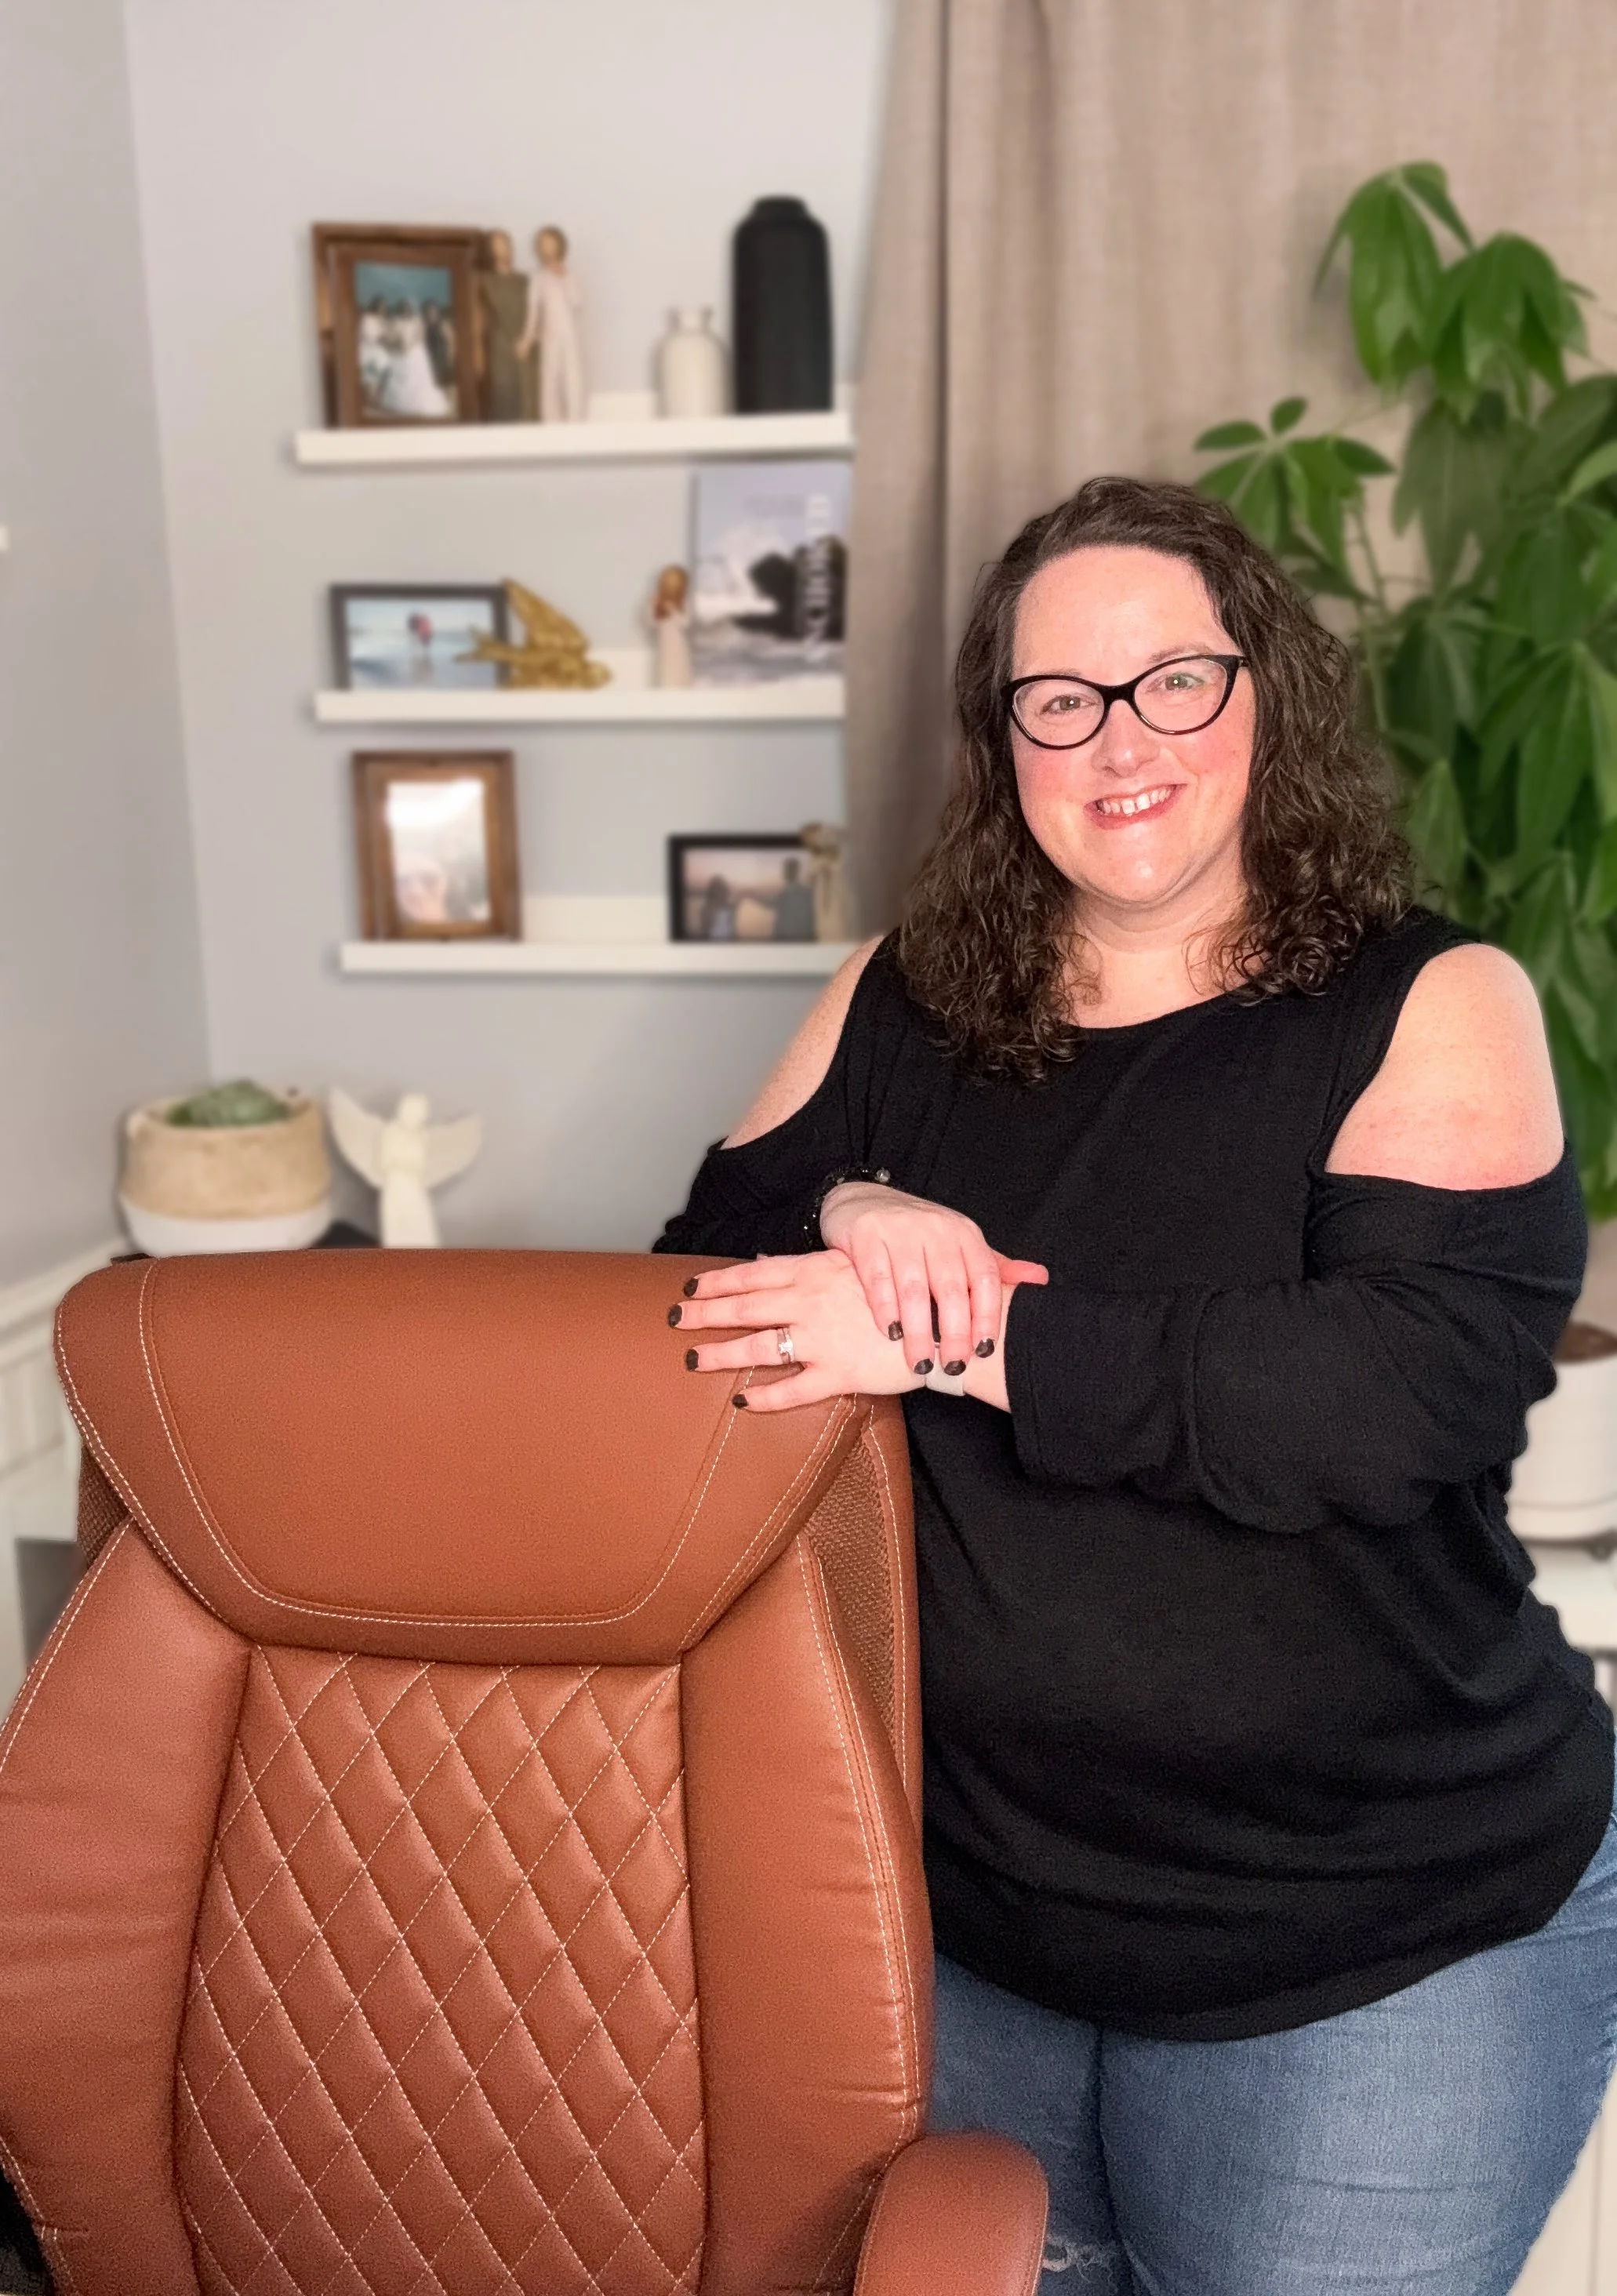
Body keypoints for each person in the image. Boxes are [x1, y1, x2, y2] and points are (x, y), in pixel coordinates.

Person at [655, 476, 1616, 2296]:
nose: (1119, 742)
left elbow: (1386, 1393)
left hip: (1383, 1950)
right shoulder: (898, 1005)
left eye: (1172, 680)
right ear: (999, 737)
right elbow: (693, 1294)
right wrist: (848, 1197)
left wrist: (955, 1330)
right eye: (1059, 700)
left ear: (1264, 696)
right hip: (970, 1936)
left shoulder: (1425, 998)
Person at [518, 225, 585, 422]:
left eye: (551, 244)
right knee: (550, 379)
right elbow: (533, 312)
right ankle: (551, 423)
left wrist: (564, 278)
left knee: (573, 378)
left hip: (570, 335)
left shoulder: (570, 276)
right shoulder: (538, 279)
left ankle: (576, 420)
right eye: (543, 244)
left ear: (559, 246)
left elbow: (577, 303)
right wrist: (528, 338)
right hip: (549, 336)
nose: (547, 249)